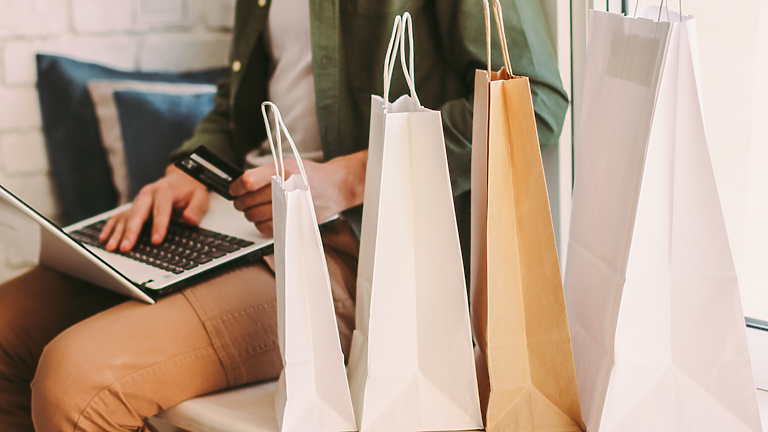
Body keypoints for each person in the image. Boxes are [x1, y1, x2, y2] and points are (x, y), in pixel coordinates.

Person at [0, 1, 568, 431]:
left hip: (350, 247)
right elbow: (238, 105)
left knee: (78, 383)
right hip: (235, 217)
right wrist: (187, 171)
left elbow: (536, 100)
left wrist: (346, 181)